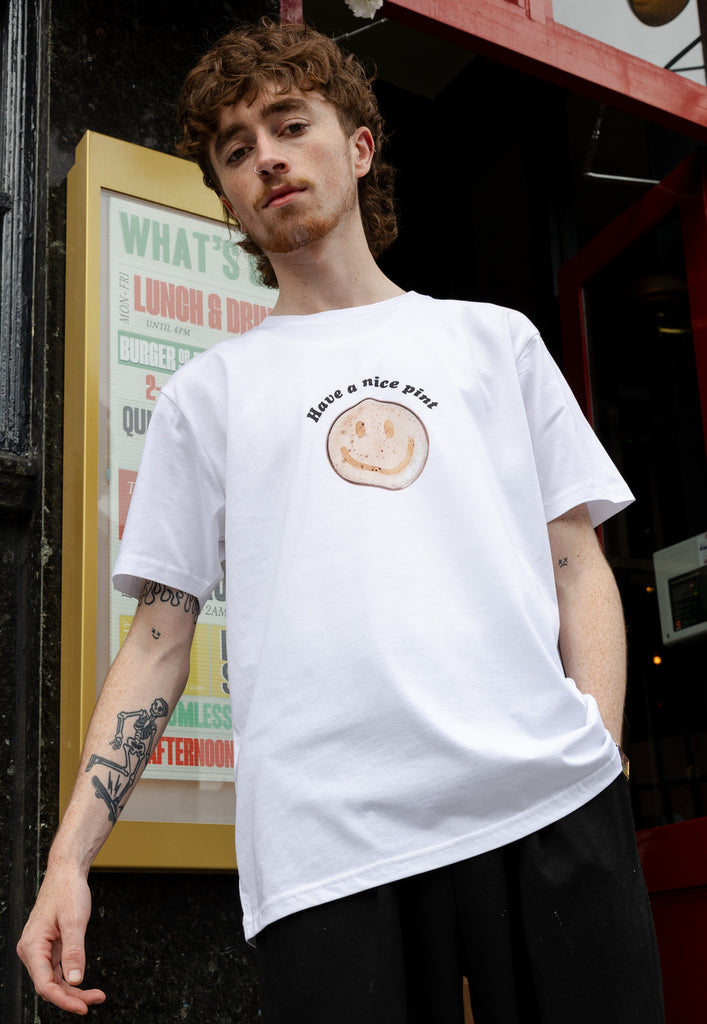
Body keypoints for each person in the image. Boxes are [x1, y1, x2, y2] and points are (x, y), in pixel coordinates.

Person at [18, 18, 664, 1023]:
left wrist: (600, 759)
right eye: (235, 151)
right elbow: (156, 636)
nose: (265, 156)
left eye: (288, 124)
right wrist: (68, 861)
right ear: (227, 196)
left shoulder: (492, 341)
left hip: (544, 805)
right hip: (325, 849)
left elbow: (577, 563)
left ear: (357, 146)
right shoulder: (207, 393)